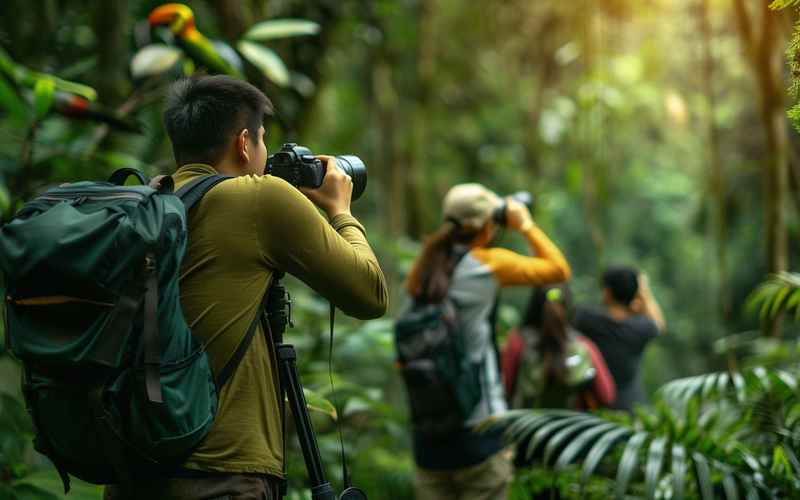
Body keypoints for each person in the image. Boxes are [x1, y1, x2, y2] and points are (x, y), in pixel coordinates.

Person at [104, 75, 388, 499]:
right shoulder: (259, 198)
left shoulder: (146, 206)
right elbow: (370, 294)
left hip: (132, 471)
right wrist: (341, 211)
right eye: (262, 141)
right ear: (243, 143)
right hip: (222, 476)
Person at [404, 183, 571, 500]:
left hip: (427, 437)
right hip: (479, 432)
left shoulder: (423, 266)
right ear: (486, 224)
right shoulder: (487, 264)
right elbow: (558, 270)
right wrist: (525, 224)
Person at [501, 284, 615, 413]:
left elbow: (503, 389)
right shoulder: (582, 345)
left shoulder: (518, 341)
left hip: (525, 427)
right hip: (569, 430)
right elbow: (606, 396)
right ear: (569, 307)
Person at [573, 266, 665, 412]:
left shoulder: (587, 319)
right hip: (629, 410)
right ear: (635, 295)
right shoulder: (641, 328)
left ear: (607, 292)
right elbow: (657, 323)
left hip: (591, 410)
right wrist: (643, 290)